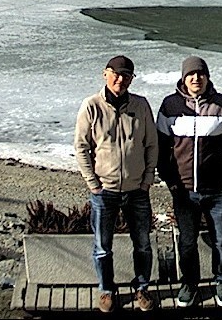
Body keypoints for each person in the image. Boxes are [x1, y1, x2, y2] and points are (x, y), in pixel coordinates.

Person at [156, 55, 222, 309]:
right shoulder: (170, 106)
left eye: (201, 74)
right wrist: (170, 181)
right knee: (187, 241)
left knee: (221, 240)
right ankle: (189, 284)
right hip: (184, 191)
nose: (196, 78)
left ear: (207, 76)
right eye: (191, 75)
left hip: (218, 190)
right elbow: (161, 148)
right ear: (184, 78)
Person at [73, 55, 159, 314]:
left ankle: (142, 288)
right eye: (116, 74)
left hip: (137, 190)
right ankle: (106, 290)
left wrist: (146, 181)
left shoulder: (141, 105)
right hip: (104, 192)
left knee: (142, 244)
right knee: (102, 247)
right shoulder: (91, 106)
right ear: (105, 74)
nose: (121, 80)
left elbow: (152, 144)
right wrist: (93, 183)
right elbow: (81, 147)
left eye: (127, 76)